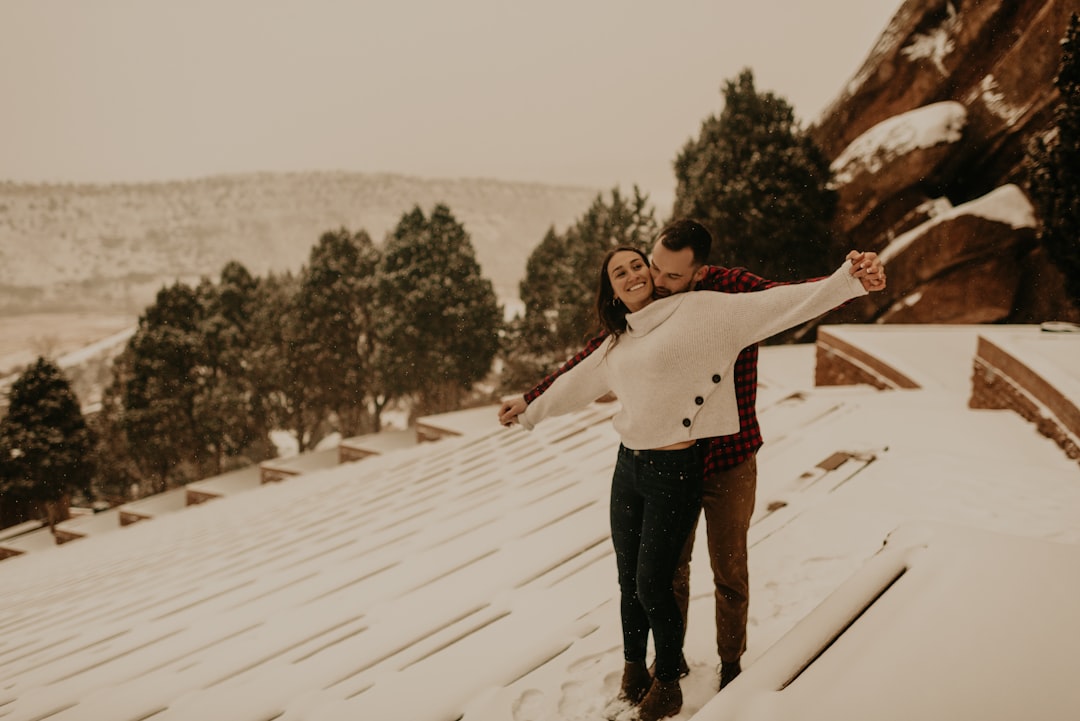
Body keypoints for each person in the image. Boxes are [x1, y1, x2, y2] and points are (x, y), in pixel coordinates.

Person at [499, 242, 884, 721]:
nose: (638, 275)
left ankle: (692, 677)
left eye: (640, 265)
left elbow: (779, 302)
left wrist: (847, 280)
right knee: (630, 581)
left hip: (678, 469)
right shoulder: (620, 336)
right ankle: (635, 667)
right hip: (629, 468)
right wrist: (530, 405)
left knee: (664, 580)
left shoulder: (704, 308)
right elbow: (579, 376)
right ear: (612, 291)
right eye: (622, 272)